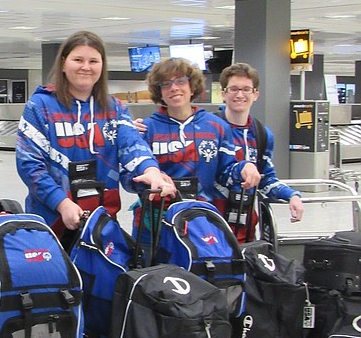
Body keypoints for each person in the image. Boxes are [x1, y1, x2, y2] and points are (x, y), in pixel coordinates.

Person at [15, 30, 175, 245]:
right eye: (78, 60)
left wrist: (151, 172)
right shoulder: (41, 106)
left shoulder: (115, 108)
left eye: (93, 61)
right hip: (50, 221)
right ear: (63, 63)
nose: (86, 67)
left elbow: (132, 145)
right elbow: (29, 165)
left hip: (102, 222)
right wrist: (62, 204)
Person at [127, 57, 261, 237]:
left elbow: (225, 172)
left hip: (201, 223)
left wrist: (244, 167)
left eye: (181, 81)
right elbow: (128, 177)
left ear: (192, 87)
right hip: (154, 227)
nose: (174, 88)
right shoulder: (146, 129)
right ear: (159, 91)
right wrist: (150, 182)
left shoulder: (217, 127)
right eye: (166, 84)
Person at [219, 62, 303, 237]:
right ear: (223, 94)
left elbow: (265, 179)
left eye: (246, 89)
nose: (240, 94)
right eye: (233, 89)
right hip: (210, 225)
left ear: (255, 94)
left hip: (246, 225)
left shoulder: (262, 134)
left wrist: (292, 195)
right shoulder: (209, 129)